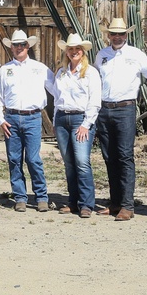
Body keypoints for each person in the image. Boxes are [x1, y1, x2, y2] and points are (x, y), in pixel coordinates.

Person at [94, 17, 147, 221]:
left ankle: (127, 205)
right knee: (109, 157)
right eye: (113, 33)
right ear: (108, 35)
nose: (117, 37)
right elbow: (94, 80)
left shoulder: (135, 54)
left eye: (121, 34)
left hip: (125, 109)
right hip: (104, 109)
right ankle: (114, 203)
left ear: (126, 35)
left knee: (124, 156)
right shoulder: (101, 55)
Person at [0, 29, 54, 213]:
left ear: (28, 46)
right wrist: (0, 120)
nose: (19, 48)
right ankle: (20, 197)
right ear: (11, 47)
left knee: (33, 159)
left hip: (33, 117)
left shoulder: (40, 68)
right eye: (16, 45)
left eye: (22, 45)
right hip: (11, 118)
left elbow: (57, 89)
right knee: (14, 158)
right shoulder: (4, 70)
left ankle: (41, 196)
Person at [48, 33, 101, 218]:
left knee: (82, 162)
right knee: (69, 163)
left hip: (81, 119)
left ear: (83, 51)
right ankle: (73, 201)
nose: (73, 52)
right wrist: (55, 121)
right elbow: (57, 98)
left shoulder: (91, 72)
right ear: (66, 52)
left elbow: (95, 100)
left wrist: (87, 124)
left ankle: (86, 204)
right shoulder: (61, 72)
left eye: (77, 49)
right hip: (63, 118)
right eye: (70, 49)